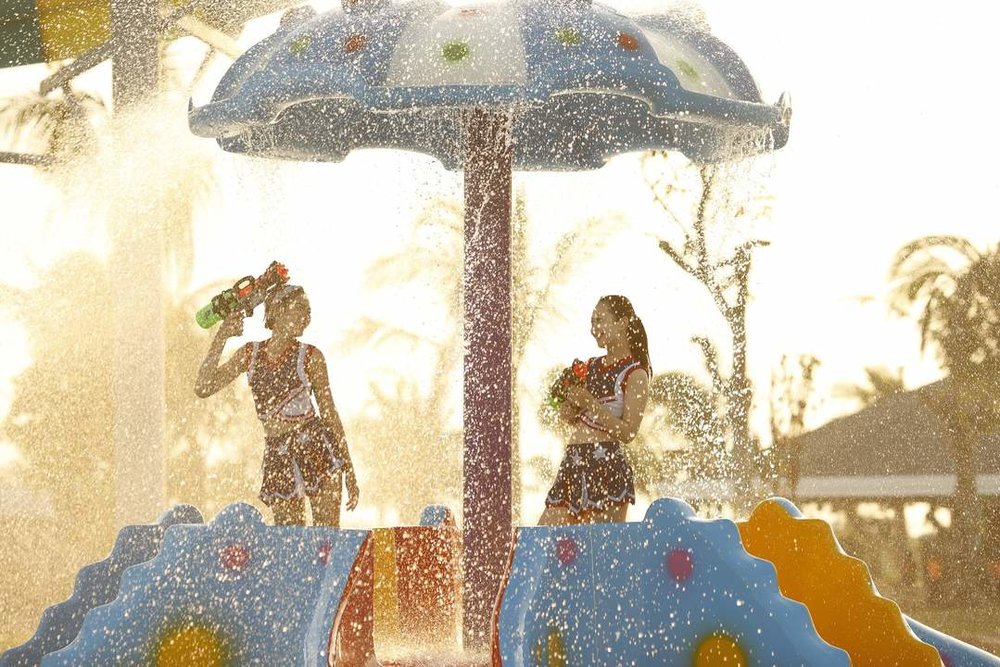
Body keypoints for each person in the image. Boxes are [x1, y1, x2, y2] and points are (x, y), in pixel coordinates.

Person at [195, 284, 359, 526]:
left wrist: (348, 468)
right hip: (278, 454)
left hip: (316, 448)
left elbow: (329, 414)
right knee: (289, 542)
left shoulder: (311, 357)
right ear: (278, 310)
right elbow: (203, 387)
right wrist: (222, 336)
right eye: (300, 308)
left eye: (309, 311)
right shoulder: (250, 354)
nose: (307, 316)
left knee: (326, 540)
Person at [539, 295, 651, 526]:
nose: (594, 328)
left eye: (600, 320)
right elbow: (568, 416)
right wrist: (569, 406)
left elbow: (628, 433)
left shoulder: (635, 374)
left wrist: (590, 403)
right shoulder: (588, 367)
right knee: (541, 539)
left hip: (606, 468)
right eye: (592, 322)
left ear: (622, 323)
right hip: (572, 464)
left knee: (599, 547)